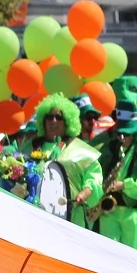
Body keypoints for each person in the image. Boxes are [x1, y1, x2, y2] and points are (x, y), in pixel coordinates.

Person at [27, 94, 103, 229]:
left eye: (58, 117)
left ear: (67, 121)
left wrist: (86, 192)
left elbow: (94, 178)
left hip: (72, 219)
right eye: (49, 117)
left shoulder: (81, 150)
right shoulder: (30, 147)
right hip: (34, 218)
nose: (53, 121)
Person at [94, 99, 137, 249]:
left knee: (132, 260)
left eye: (126, 134)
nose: (122, 138)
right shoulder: (108, 150)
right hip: (108, 212)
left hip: (132, 213)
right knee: (108, 256)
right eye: (120, 133)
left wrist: (124, 185)